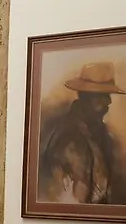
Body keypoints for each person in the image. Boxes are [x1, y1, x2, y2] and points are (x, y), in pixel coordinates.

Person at [39, 62, 126, 204]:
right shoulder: (71, 138)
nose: (109, 101)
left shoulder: (100, 133)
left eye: (108, 95)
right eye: (102, 95)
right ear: (85, 97)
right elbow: (74, 203)